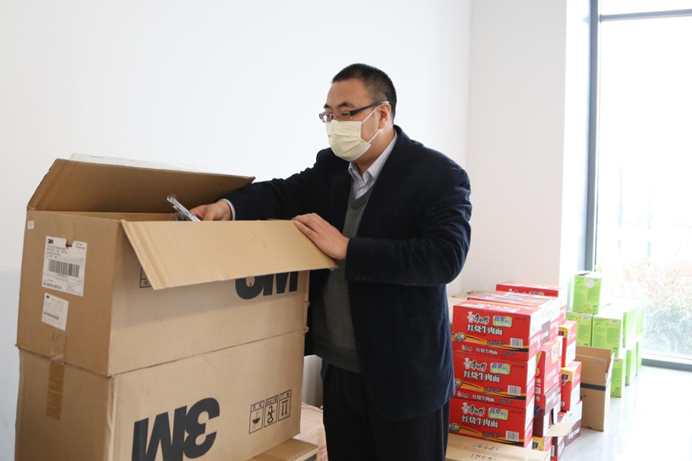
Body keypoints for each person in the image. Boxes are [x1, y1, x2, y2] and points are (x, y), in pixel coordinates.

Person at [191, 63, 471, 461]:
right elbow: (282, 194)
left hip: (406, 376)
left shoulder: (438, 175)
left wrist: (348, 249)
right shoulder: (332, 168)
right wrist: (227, 206)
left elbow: (445, 257)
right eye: (329, 115)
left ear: (383, 114)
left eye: (346, 112)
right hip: (339, 370)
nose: (335, 124)